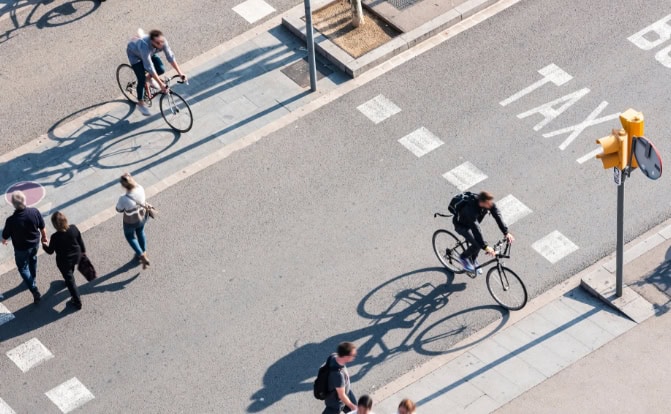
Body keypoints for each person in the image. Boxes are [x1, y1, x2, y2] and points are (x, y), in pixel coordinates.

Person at [126, 29, 187, 116]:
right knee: (142, 79)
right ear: (152, 42)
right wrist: (160, 84)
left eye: (161, 42)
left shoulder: (161, 42)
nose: (161, 45)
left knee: (161, 69)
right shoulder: (144, 45)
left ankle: (149, 79)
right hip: (134, 54)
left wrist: (180, 73)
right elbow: (149, 67)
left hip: (150, 53)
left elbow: (170, 57)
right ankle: (140, 104)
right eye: (158, 43)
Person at [452, 191, 514, 273]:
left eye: (490, 203)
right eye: (488, 204)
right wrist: (485, 247)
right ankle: (462, 257)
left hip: (471, 224)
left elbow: (497, 215)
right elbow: (476, 229)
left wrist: (506, 232)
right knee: (478, 244)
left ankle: (472, 259)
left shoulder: (488, 203)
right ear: (481, 202)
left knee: (480, 242)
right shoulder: (471, 210)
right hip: (461, 226)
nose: (490, 205)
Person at [2, 191, 47, 303]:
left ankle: (33, 288)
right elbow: (42, 227)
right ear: (25, 200)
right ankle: (33, 277)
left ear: (13, 204)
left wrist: (4, 240)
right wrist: (44, 237)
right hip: (35, 244)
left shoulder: (11, 220)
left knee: (22, 268)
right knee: (33, 259)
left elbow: (5, 235)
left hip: (21, 249)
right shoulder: (34, 212)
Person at [42, 212, 85, 310]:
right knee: (71, 269)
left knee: (71, 282)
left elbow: (50, 251)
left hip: (64, 261)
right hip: (76, 256)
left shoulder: (55, 237)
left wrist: (44, 245)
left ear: (55, 225)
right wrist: (83, 251)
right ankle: (68, 279)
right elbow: (80, 240)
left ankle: (77, 301)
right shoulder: (73, 228)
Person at [115, 173, 150, 269]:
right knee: (140, 232)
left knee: (130, 236)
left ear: (123, 186)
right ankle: (144, 252)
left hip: (130, 221)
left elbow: (119, 209)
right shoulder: (140, 188)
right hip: (142, 216)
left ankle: (141, 255)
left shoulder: (123, 198)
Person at [324, 342, 358, 414]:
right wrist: (352, 407)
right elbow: (341, 395)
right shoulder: (338, 375)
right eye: (353, 355)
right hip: (336, 402)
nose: (355, 357)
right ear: (346, 356)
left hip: (345, 391)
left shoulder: (334, 356)